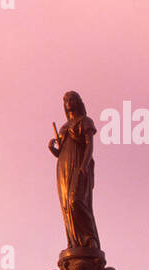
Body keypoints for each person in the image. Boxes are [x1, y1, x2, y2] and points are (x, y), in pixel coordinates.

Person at [48, 92, 100, 251]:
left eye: (72, 99)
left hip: (79, 164)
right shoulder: (63, 127)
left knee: (75, 200)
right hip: (64, 168)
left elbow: (89, 145)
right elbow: (61, 153)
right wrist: (52, 149)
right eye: (65, 100)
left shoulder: (85, 121)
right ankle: (74, 241)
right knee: (66, 205)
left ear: (78, 102)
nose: (68, 102)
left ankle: (89, 238)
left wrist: (84, 165)